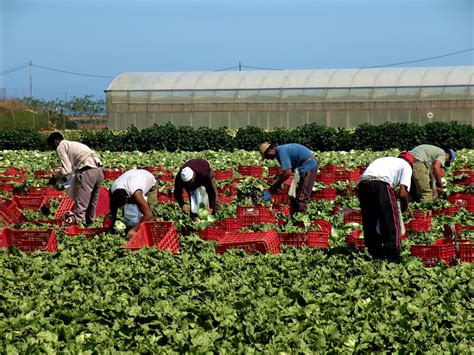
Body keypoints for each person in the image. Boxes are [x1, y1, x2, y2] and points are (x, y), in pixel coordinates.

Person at [357, 152, 414, 263]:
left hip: (363, 184)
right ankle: (393, 258)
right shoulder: (406, 166)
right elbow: (403, 193)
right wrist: (405, 206)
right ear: (411, 163)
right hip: (381, 184)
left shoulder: (386, 160)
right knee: (390, 221)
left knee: (370, 221)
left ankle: (375, 254)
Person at [47, 132, 104, 226]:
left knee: (81, 202)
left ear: (55, 142)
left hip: (88, 170)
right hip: (98, 169)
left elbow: (67, 170)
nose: (53, 148)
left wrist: (56, 178)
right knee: (92, 202)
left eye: (52, 145)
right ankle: (90, 224)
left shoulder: (60, 146)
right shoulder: (72, 144)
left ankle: (79, 227)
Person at [259, 142, 318, 214]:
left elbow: (288, 173)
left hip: (308, 167)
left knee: (301, 197)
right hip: (302, 168)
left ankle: (301, 220)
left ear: (269, 151)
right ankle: (294, 216)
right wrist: (278, 178)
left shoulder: (281, 152)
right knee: (294, 196)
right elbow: (289, 169)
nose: (268, 159)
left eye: (267, 156)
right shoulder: (280, 151)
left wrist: (276, 184)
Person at [109, 169, 158, 238]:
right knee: (131, 211)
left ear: (127, 197)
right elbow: (113, 207)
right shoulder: (113, 190)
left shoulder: (136, 194)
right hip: (133, 177)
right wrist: (112, 224)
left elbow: (149, 214)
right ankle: (131, 228)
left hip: (147, 177)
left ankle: (151, 234)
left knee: (150, 211)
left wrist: (133, 230)